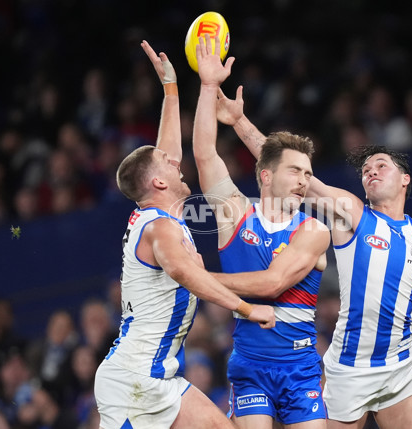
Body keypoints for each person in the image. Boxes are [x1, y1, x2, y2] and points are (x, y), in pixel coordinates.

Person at [214, 85, 412, 428]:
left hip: (399, 368)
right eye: (366, 169)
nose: (370, 171)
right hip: (347, 369)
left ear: (405, 179)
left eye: (381, 165)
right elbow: (289, 171)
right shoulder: (352, 214)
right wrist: (239, 122)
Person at [93, 40, 275, 429]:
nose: (177, 164)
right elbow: (183, 272)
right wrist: (245, 307)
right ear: (159, 181)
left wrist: (171, 90)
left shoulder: (160, 209)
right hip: (134, 382)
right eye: (168, 165)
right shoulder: (159, 227)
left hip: (155, 376)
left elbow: (165, 149)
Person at [192, 35, 330, 429]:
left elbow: (273, 283)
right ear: (266, 175)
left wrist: (197, 278)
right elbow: (204, 154)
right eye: (295, 171)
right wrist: (206, 86)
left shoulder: (315, 229)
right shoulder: (236, 214)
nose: (304, 181)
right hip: (251, 365)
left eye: (308, 173)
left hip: (301, 367)